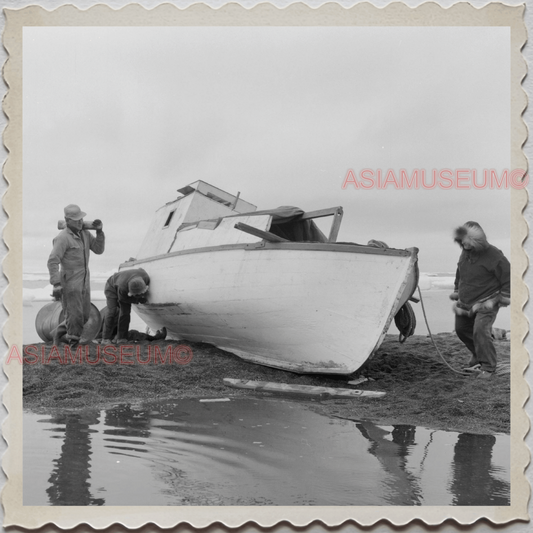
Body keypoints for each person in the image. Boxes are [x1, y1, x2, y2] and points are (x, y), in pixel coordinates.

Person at [450, 221, 510, 379]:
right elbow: (460, 271)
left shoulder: (494, 255)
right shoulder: (465, 252)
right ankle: (478, 355)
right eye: (461, 240)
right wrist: (457, 289)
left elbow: (508, 277)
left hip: (487, 299)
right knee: (461, 329)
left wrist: (503, 296)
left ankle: (488, 367)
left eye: (467, 240)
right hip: (465, 300)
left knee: (480, 331)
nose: (463, 243)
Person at [47, 204, 105, 344]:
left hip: (84, 279)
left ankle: (58, 332)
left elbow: (98, 249)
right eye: (76, 219)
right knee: (74, 315)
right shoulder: (63, 238)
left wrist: (99, 232)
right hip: (70, 281)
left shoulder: (84, 233)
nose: (80, 221)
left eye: (81, 218)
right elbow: (52, 261)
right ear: (67, 220)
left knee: (84, 315)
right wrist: (56, 283)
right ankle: (73, 345)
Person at [101, 268, 153, 344]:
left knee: (125, 313)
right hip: (111, 286)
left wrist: (141, 297)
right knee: (112, 311)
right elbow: (123, 300)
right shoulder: (122, 288)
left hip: (124, 281)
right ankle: (105, 338)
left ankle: (122, 338)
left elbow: (141, 270)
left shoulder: (145, 278)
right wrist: (137, 300)